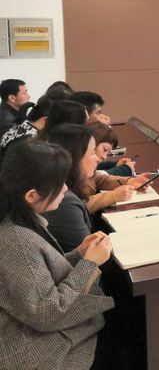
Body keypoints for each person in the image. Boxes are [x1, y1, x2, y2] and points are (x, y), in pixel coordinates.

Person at [0, 139, 115, 370]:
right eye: (59, 183)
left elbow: (39, 277)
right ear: (31, 196)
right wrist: (89, 263)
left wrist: (79, 254)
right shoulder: (15, 240)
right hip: (41, 354)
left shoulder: (22, 222)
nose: (65, 189)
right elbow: (46, 313)